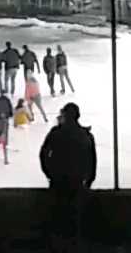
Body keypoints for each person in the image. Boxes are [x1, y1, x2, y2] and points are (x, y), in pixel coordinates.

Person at [40, 102, 98, 244]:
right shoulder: (85, 135)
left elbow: (43, 154)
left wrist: (49, 173)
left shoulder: (56, 133)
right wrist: (88, 180)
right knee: (75, 220)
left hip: (58, 182)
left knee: (58, 218)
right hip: (77, 182)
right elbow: (92, 160)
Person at [0, 92, 12, 165]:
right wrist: (9, 115)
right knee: (4, 146)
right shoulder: (7, 100)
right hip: (3, 133)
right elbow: (10, 109)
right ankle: (5, 160)